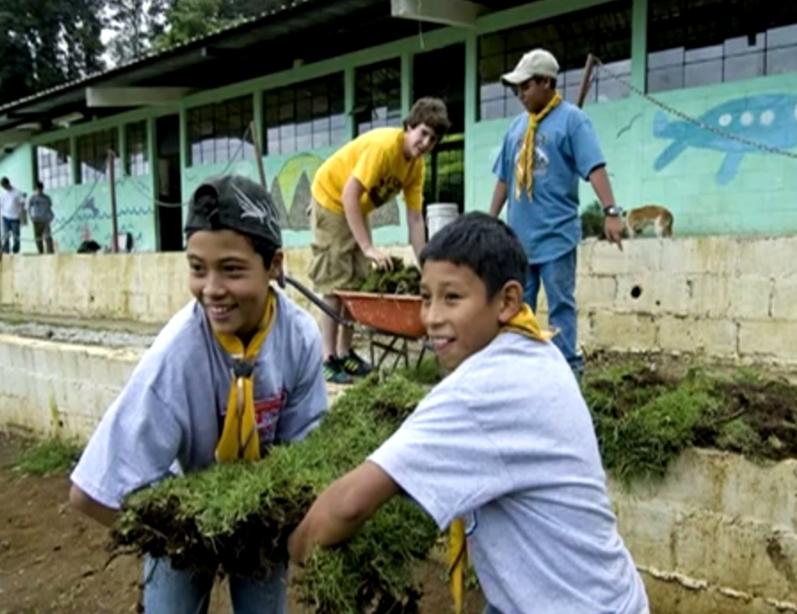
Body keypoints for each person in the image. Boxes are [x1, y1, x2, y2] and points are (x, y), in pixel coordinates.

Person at [288, 213, 648, 614]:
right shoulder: (534, 346)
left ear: (508, 300)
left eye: (452, 298)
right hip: (590, 593)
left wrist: (294, 546)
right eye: (426, 298)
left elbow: (349, 505)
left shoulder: (481, 390)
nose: (432, 318)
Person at [69, 174, 328, 614]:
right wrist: (179, 537)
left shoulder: (299, 336)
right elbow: (89, 492)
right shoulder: (176, 356)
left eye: (231, 269)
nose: (211, 289)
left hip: (261, 511)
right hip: (184, 506)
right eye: (197, 268)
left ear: (275, 265)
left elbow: (304, 455)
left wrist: (269, 518)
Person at [489, 48, 624, 376]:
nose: (520, 94)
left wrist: (610, 211)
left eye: (525, 86)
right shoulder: (516, 128)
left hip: (556, 238)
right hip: (520, 243)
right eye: (516, 88)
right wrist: (490, 220)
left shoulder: (572, 120)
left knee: (561, 305)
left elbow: (594, 166)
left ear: (546, 82)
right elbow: (505, 178)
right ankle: (523, 371)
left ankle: (566, 373)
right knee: (520, 308)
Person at [309, 97, 451, 384]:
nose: (425, 143)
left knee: (358, 282)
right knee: (336, 282)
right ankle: (328, 358)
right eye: (422, 133)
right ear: (409, 126)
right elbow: (349, 193)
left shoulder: (416, 167)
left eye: (432, 139)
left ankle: (345, 353)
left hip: (355, 208)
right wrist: (367, 246)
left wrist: (426, 263)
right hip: (331, 198)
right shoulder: (385, 147)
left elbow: (414, 218)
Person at [28, 181, 55, 254]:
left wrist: (51, 216)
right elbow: (29, 208)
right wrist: (31, 217)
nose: (39, 191)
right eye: (38, 189)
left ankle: (50, 252)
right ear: (36, 189)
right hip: (36, 220)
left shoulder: (47, 198)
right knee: (38, 238)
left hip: (45, 220)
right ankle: (40, 252)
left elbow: (49, 208)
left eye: (40, 189)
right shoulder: (32, 198)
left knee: (48, 236)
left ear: (42, 189)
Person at [0, 177, 25, 254]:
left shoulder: (17, 192)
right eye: (2, 187)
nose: (4, 188)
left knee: (16, 237)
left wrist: (22, 216)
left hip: (15, 218)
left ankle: (15, 250)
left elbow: (22, 203)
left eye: (5, 186)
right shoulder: (3, 193)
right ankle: (6, 251)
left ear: (8, 183)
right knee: (5, 236)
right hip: (5, 217)